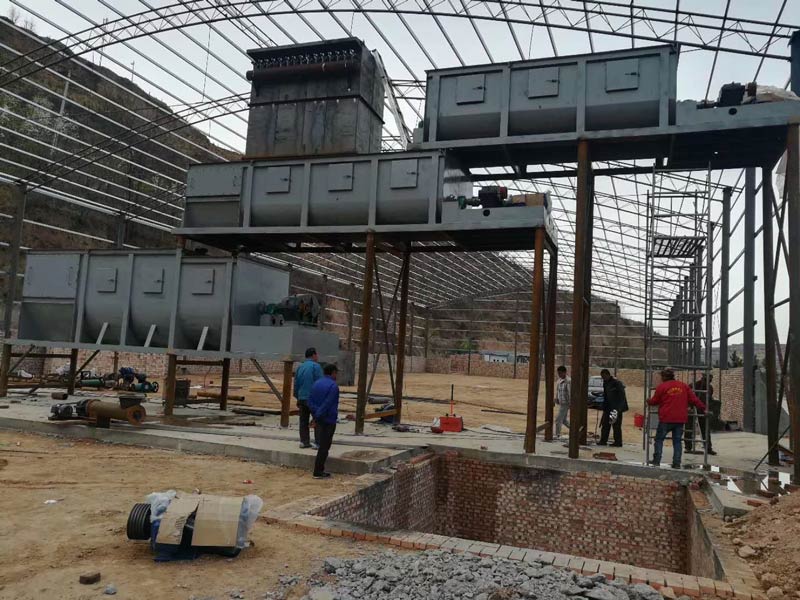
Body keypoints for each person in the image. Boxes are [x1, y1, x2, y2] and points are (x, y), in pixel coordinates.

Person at [648, 368, 706, 468]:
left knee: (659, 439)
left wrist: (648, 401)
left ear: (664, 377)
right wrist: (704, 408)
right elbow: (694, 400)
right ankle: (677, 463)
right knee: (677, 441)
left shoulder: (662, 387)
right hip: (680, 419)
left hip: (666, 418)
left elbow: (655, 401)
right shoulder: (683, 386)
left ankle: (657, 460)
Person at [308, 363, 340, 479]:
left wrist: (315, 415)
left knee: (320, 443)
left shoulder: (316, 383)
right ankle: (318, 471)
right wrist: (318, 415)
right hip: (328, 419)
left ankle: (319, 470)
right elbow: (327, 404)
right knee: (324, 447)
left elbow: (310, 401)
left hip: (319, 418)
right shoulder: (333, 386)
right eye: (336, 373)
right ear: (333, 373)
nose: (337, 376)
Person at [294, 347, 323, 449]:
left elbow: (296, 384)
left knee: (303, 421)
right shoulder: (316, 366)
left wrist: (298, 397)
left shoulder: (300, 367)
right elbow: (320, 383)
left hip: (302, 398)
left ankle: (304, 441)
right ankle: (318, 442)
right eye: (317, 355)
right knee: (318, 420)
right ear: (314, 355)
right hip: (313, 398)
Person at [685, 374, 717, 456]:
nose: (709, 381)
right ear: (703, 378)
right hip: (692, 409)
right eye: (707, 379)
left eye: (710, 380)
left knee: (705, 428)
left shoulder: (710, 388)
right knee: (689, 428)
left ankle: (708, 448)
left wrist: (709, 409)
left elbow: (709, 399)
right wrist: (689, 407)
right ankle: (688, 447)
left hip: (702, 409)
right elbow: (686, 397)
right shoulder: (693, 386)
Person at [598, 369, 628, 447]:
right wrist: (603, 406)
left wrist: (619, 409)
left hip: (616, 408)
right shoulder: (605, 383)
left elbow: (622, 396)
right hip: (608, 408)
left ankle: (618, 442)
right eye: (602, 377)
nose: (603, 378)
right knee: (605, 425)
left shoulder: (616, 383)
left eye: (604, 376)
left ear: (608, 375)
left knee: (616, 426)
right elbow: (606, 396)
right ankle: (603, 441)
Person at [554, 365, 571, 439]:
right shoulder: (559, 381)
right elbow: (557, 391)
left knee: (558, 420)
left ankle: (557, 435)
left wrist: (570, 403)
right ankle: (574, 430)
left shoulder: (568, 381)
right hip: (561, 402)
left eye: (560, 373)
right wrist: (556, 398)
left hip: (566, 403)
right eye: (558, 373)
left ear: (565, 372)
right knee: (563, 420)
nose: (559, 375)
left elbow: (570, 393)